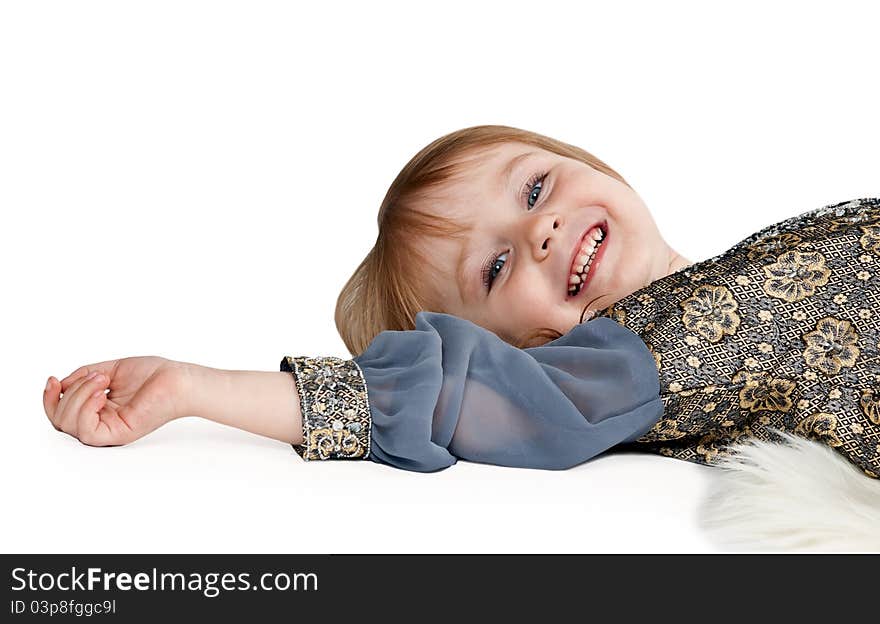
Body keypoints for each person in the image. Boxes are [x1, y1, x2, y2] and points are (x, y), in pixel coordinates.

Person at [41, 125, 880, 479]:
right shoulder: (638, 358)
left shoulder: (746, 273)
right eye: (497, 267)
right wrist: (197, 389)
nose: (543, 229)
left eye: (535, 187)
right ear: (514, 355)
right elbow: (445, 397)